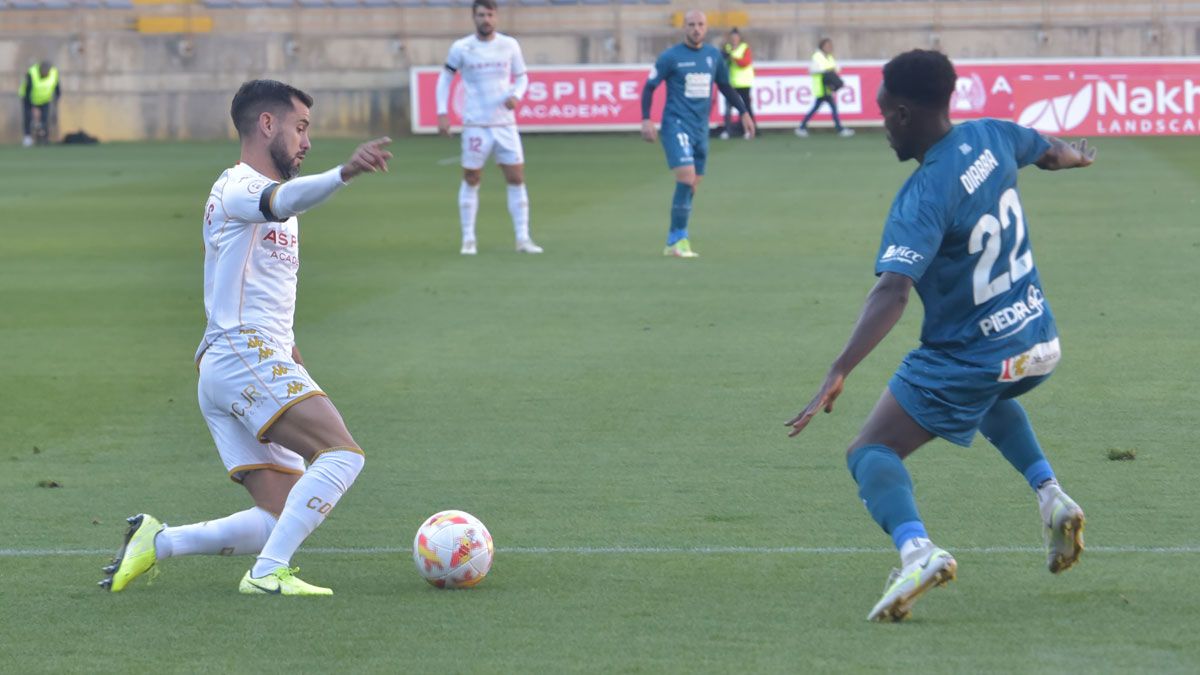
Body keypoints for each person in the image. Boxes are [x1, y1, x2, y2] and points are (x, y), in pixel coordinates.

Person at [785, 49, 1095, 622]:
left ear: (902, 113)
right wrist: (1080, 158)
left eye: (882, 114)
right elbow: (1050, 152)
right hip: (1037, 341)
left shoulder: (924, 193)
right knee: (985, 398)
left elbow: (893, 291)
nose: (882, 126)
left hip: (974, 355)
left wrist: (839, 369)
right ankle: (1052, 497)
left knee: (869, 451)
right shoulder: (993, 134)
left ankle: (917, 551)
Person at [99, 80, 392, 596]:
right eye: (300, 128)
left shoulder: (279, 207)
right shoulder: (236, 186)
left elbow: (269, 299)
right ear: (267, 125)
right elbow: (284, 198)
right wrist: (344, 173)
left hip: (239, 361)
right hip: (240, 355)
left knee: (280, 513)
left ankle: (158, 542)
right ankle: (265, 575)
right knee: (342, 455)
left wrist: (295, 361)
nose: (307, 141)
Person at [641, 10, 755, 259]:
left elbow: (725, 86)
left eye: (700, 24)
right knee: (686, 176)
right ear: (684, 27)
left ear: (706, 27)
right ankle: (677, 239)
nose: (696, 29)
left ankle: (677, 235)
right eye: (691, 24)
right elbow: (649, 87)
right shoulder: (670, 57)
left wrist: (744, 113)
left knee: (693, 183)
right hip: (676, 124)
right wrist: (647, 119)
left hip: (700, 129)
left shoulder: (713, 56)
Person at [437, 0, 542, 256]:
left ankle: (522, 238)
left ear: (496, 17)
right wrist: (442, 112)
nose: (486, 19)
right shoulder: (462, 47)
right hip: (476, 124)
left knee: (516, 177)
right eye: (481, 14)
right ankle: (469, 239)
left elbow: (522, 76)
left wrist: (517, 94)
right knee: (472, 178)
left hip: (505, 123)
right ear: (474, 17)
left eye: (490, 14)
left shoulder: (509, 45)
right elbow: (446, 78)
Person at [794, 38, 853, 138]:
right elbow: (813, 70)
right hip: (821, 86)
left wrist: (832, 70)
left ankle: (802, 127)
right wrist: (828, 70)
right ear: (822, 46)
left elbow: (836, 68)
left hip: (828, 86)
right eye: (827, 45)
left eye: (830, 45)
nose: (829, 47)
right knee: (827, 108)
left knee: (820, 108)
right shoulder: (817, 56)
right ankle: (839, 129)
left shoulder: (829, 57)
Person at [719, 28, 755, 141]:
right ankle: (727, 131)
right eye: (732, 37)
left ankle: (749, 130)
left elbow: (745, 62)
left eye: (736, 37)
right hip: (732, 83)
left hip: (744, 83)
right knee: (728, 108)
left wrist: (732, 57)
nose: (734, 39)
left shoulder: (744, 48)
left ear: (739, 38)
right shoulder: (728, 48)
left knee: (745, 108)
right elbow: (722, 62)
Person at [18, 60, 60, 147]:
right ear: (40, 70)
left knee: (44, 119)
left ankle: (44, 138)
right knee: (28, 117)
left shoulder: (54, 73)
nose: (46, 73)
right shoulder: (32, 73)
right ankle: (27, 138)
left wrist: (56, 100)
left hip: (45, 99)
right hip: (28, 98)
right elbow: (28, 91)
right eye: (44, 72)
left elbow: (57, 88)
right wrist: (33, 107)